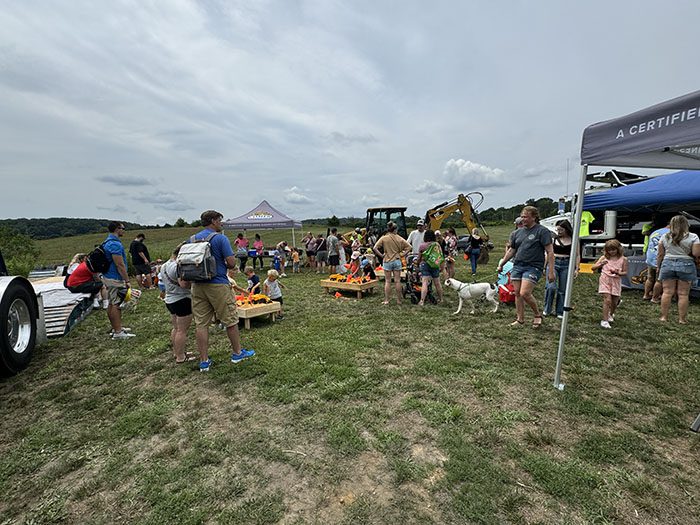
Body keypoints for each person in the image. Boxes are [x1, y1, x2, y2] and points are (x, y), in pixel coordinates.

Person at [190, 210, 255, 372]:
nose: (221, 223)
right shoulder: (220, 238)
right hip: (218, 283)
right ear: (213, 221)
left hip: (197, 285)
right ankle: (237, 353)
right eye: (220, 220)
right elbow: (232, 263)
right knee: (231, 320)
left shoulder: (191, 239)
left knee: (201, 324)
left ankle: (204, 361)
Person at [496, 206, 554, 328]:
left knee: (525, 293)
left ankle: (537, 315)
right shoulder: (516, 233)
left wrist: (550, 271)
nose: (523, 219)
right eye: (522, 216)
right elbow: (512, 250)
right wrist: (502, 264)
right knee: (517, 293)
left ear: (534, 217)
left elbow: (550, 251)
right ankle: (520, 319)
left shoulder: (542, 231)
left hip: (533, 266)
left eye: (526, 217)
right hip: (518, 266)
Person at [657, 215, 700, 324]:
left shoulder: (665, 236)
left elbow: (660, 254)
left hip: (667, 263)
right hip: (686, 264)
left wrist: (658, 266)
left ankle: (664, 317)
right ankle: (682, 319)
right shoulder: (693, 236)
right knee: (683, 294)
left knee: (667, 292)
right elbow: (696, 254)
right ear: (686, 224)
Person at [159, 244, 195, 364]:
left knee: (176, 328)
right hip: (182, 299)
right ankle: (181, 357)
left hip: (170, 299)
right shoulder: (178, 266)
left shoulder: (164, 266)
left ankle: (177, 352)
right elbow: (184, 284)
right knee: (182, 330)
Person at [543, 219, 580, 319]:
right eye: (557, 229)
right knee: (551, 287)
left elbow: (577, 255)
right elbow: (548, 253)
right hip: (553, 263)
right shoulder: (553, 239)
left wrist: (577, 268)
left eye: (561, 230)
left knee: (562, 289)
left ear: (567, 229)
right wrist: (544, 266)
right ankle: (547, 309)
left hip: (566, 264)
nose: (558, 232)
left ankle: (560, 311)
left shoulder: (574, 240)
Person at [102, 221, 134, 339]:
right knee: (116, 304)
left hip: (108, 277)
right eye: (123, 228)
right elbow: (119, 265)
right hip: (115, 277)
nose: (124, 230)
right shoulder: (114, 244)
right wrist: (127, 280)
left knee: (111, 303)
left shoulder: (107, 242)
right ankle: (118, 332)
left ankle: (116, 327)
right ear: (117, 229)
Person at [591, 239, 628, 329]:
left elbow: (625, 272)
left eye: (613, 250)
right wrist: (600, 264)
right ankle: (604, 320)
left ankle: (610, 314)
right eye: (609, 250)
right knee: (607, 300)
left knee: (614, 301)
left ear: (618, 249)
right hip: (605, 279)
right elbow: (593, 268)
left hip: (616, 280)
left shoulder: (623, 259)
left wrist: (618, 272)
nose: (612, 252)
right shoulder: (604, 258)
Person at [373, 221, 412, 305]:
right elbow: (409, 247)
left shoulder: (384, 238)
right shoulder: (400, 238)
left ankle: (387, 300)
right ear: (396, 229)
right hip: (397, 260)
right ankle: (399, 300)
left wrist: (382, 255)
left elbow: (375, 248)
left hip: (387, 260)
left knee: (388, 281)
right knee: (397, 281)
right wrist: (402, 254)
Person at [644, 222, 670, 302]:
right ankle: (655, 297)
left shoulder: (655, 231)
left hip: (650, 258)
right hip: (660, 259)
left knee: (650, 278)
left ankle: (646, 295)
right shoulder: (669, 233)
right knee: (659, 280)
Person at [417, 229, 444, 306]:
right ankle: (441, 299)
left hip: (425, 264)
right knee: (437, 283)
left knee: (424, 282)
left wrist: (417, 263)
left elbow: (419, 257)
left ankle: (422, 300)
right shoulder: (437, 245)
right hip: (435, 264)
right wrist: (442, 266)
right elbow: (440, 256)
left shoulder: (422, 245)